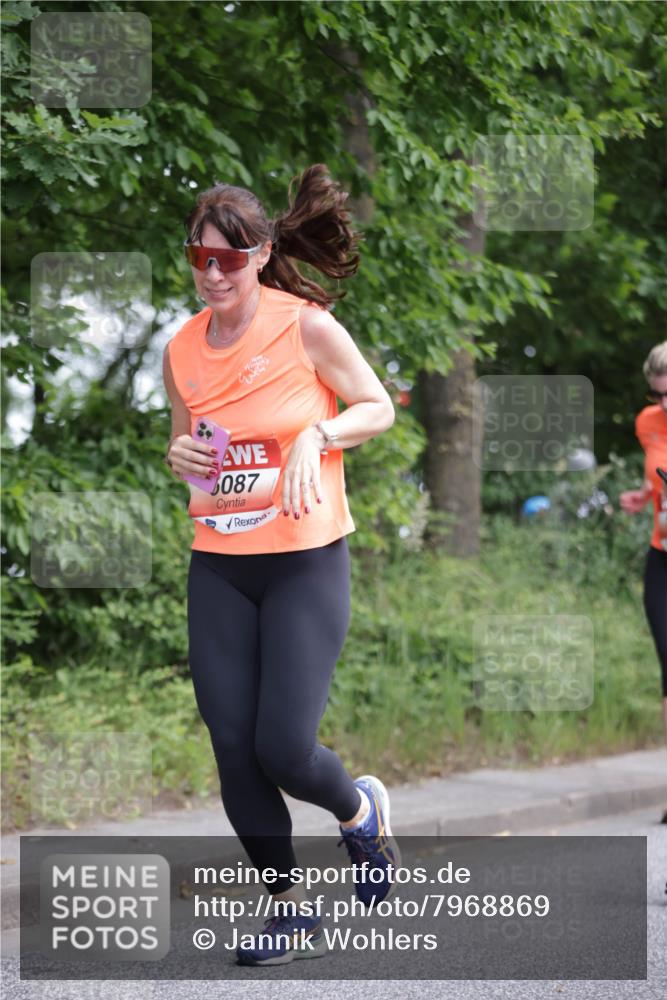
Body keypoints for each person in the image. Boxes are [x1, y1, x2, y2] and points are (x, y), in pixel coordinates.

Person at [162, 164, 402, 965]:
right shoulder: (181, 348)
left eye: (229, 258)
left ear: (261, 255)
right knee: (231, 744)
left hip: (304, 558)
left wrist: (317, 435)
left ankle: (358, 813)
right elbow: (190, 450)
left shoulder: (307, 326)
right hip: (221, 561)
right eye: (201, 257)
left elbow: (377, 406)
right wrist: (180, 455)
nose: (214, 272)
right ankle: (290, 908)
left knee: (284, 748)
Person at [620, 341, 667, 743]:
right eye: (657, 394)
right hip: (662, 557)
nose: (664, 403)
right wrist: (644, 495)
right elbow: (657, 475)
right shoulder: (647, 422)